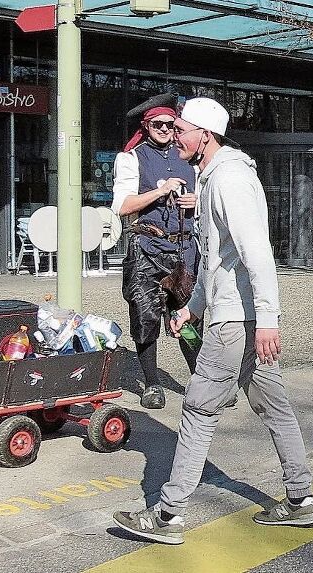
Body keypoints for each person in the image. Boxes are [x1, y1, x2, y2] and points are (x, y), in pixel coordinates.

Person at [113, 97, 313, 545]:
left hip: (237, 324)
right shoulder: (213, 176)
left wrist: (267, 319)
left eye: (183, 129)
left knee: (198, 409)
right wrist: (193, 307)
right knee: (276, 409)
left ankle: (168, 515)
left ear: (204, 135)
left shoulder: (228, 179)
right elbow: (217, 260)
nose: (176, 136)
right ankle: (302, 501)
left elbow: (256, 254)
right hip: (234, 315)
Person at [111, 93, 200, 410]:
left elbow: (203, 196)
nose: (165, 129)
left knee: (190, 317)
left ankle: (199, 382)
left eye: (170, 124)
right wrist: (159, 191)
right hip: (147, 246)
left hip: (185, 248)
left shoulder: (188, 156)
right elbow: (122, 206)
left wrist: (196, 202)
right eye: (158, 124)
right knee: (146, 316)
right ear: (146, 126)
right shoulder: (132, 158)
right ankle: (151, 383)